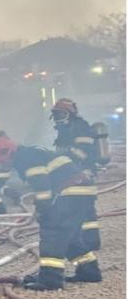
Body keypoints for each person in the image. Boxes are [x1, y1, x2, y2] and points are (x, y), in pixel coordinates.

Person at [0, 135, 101, 290]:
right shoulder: (31, 153)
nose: (2, 164)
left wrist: (42, 209)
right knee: (70, 235)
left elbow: (42, 185)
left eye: (1, 160)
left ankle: (50, 280)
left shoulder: (25, 158)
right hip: (81, 191)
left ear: (7, 152)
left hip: (69, 193)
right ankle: (89, 271)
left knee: (53, 234)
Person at [50, 98, 103, 281]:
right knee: (86, 214)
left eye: (61, 114)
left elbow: (83, 152)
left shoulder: (79, 127)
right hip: (74, 177)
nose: (57, 117)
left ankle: (87, 261)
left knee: (68, 224)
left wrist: (62, 161)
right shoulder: (64, 130)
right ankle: (90, 246)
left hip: (79, 176)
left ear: (70, 114)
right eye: (55, 114)